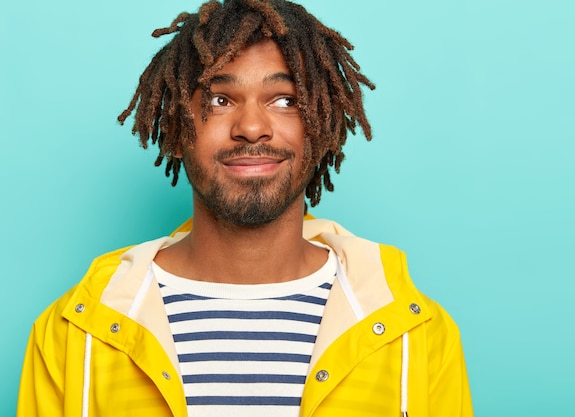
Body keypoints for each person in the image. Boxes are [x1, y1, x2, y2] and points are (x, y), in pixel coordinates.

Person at [17, 0, 473, 416]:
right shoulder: (74, 334)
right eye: (219, 100)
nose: (253, 127)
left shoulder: (418, 335)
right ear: (175, 129)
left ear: (323, 124)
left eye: (285, 100)